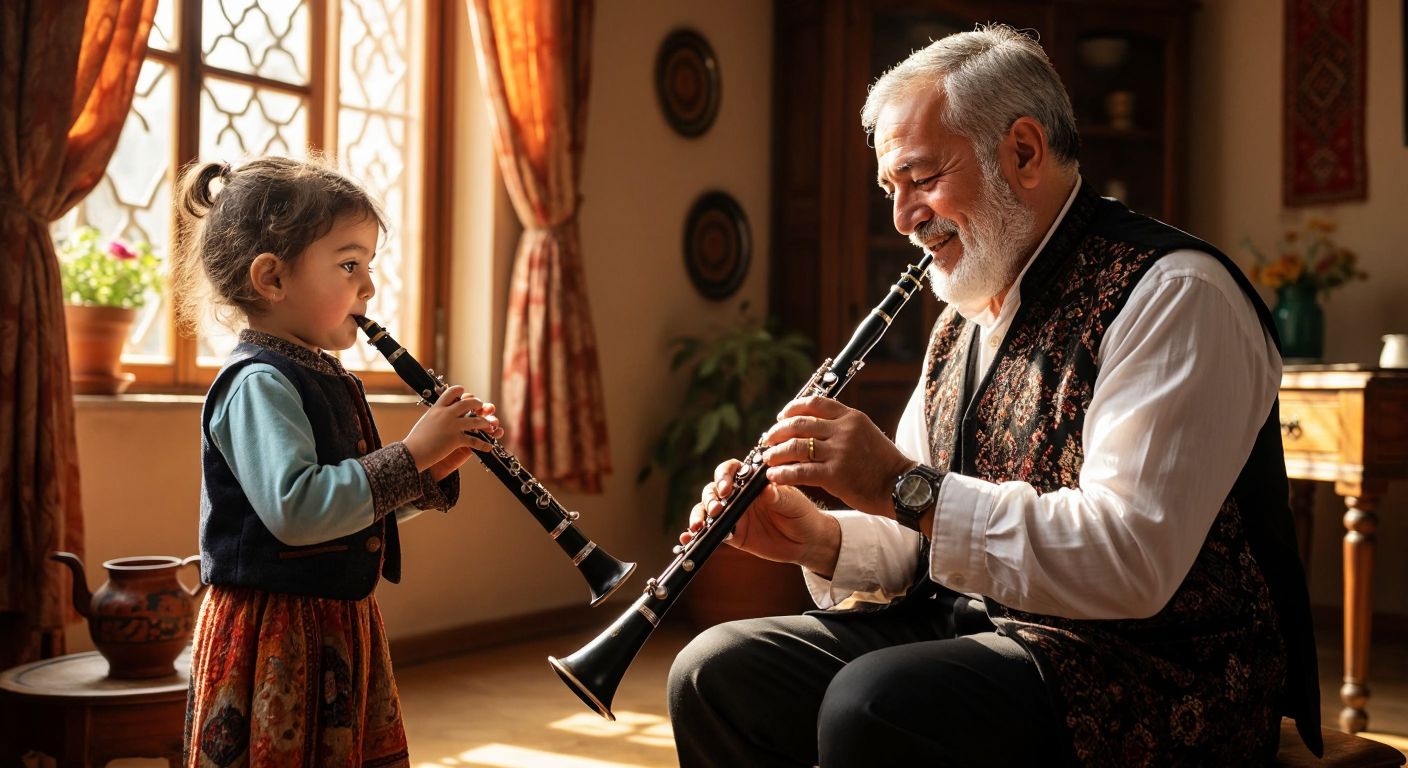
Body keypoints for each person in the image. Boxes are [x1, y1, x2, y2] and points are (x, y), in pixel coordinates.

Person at [668, 25, 1320, 767]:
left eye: (921, 178)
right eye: (891, 189)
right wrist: (820, 536)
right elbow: (927, 530)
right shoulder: (964, 319)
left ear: (1023, 152)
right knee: (716, 672)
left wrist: (895, 483)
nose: (904, 216)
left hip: (1155, 673)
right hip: (982, 632)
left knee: (874, 704)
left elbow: (1129, 559)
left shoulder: (1174, 294)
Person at [173, 156, 501, 767]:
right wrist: (409, 457)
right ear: (272, 278)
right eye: (350, 265)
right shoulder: (258, 383)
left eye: (369, 266)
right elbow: (299, 511)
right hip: (275, 634)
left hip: (334, 623)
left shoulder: (328, 376)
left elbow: (344, 511)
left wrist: (427, 472)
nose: (369, 287)